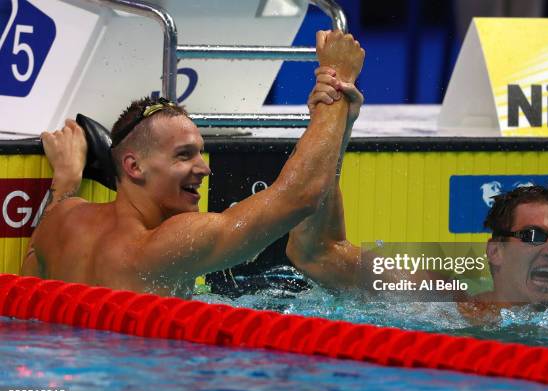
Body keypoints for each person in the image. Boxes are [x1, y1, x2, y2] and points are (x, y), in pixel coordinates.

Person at [20, 30, 365, 299]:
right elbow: (300, 197)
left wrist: (65, 178)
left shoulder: (62, 219)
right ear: (133, 167)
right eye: (184, 155)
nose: (204, 168)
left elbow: (26, 284)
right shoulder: (167, 245)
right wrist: (336, 83)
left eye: (200, 153)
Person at [287, 72, 548, 322]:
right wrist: (334, 125)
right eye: (532, 235)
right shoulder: (441, 304)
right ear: (495, 252)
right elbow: (316, 254)